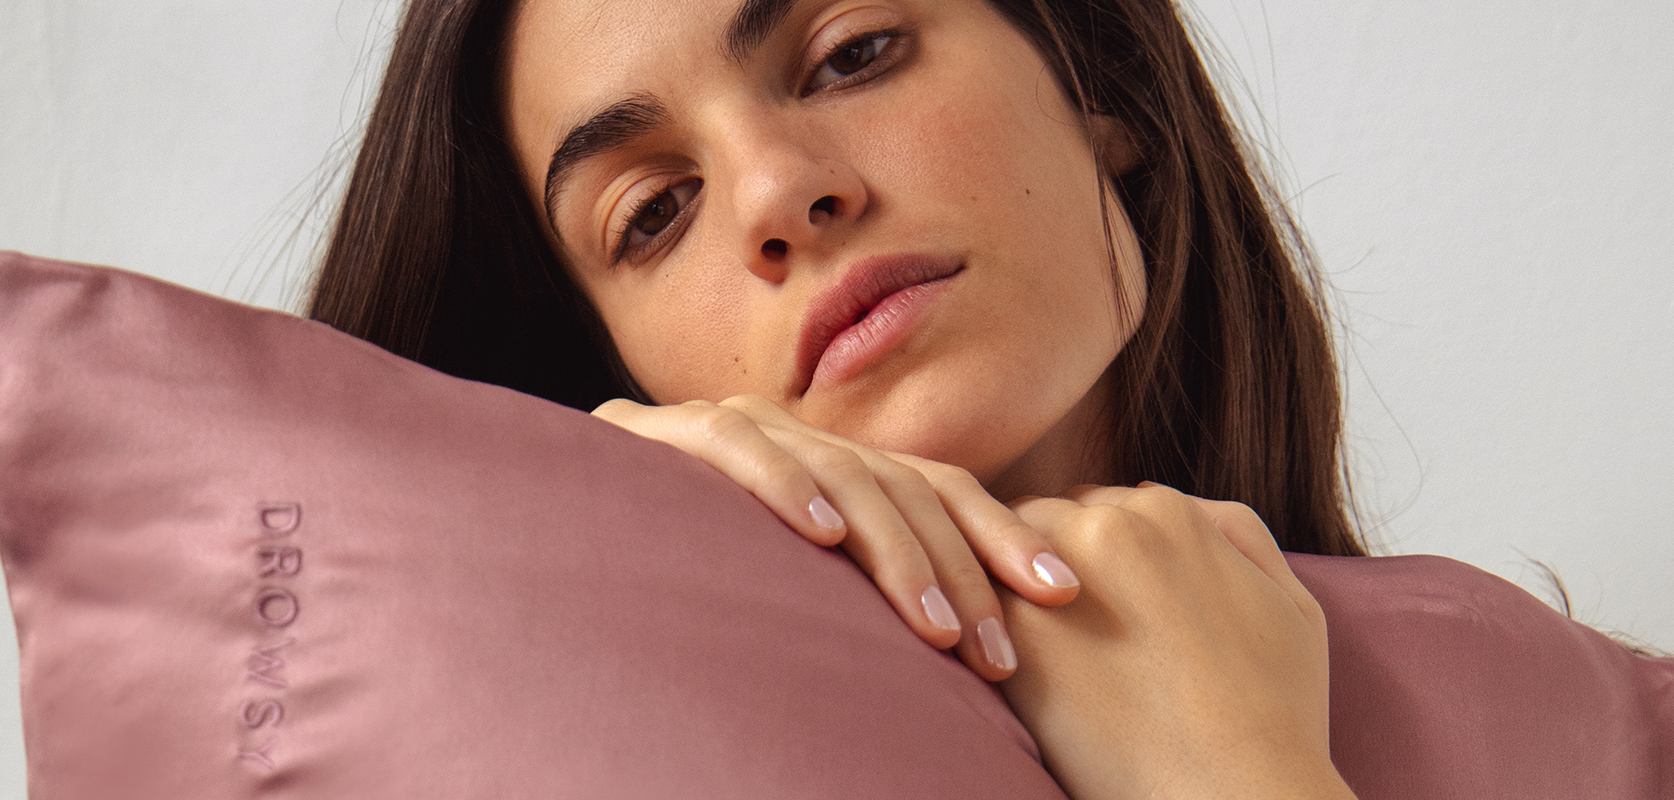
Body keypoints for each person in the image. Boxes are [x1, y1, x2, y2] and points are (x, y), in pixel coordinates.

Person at [306, 0, 1377, 796]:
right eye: (655, 210)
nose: (779, 191)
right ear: (623, 367)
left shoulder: (1524, 697)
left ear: (1096, 80)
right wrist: (581, 525)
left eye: (851, 56)